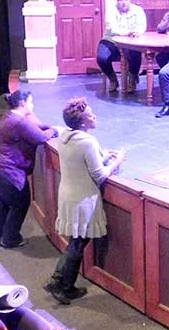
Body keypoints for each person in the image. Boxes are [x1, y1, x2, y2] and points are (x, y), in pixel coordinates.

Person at [45, 97, 126, 305]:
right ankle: (62, 285)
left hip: (68, 194)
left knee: (75, 241)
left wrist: (105, 156)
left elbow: (83, 162)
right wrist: (118, 160)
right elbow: (99, 175)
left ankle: (60, 281)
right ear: (82, 122)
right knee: (78, 243)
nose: (95, 116)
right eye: (90, 115)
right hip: (82, 199)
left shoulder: (65, 135)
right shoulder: (88, 142)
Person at [0, 90, 58, 249]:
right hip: (5, 172)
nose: (33, 105)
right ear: (23, 103)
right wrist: (54, 130)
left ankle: (1, 238)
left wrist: (46, 126)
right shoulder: (18, 122)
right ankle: (10, 239)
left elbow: (32, 127)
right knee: (20, 202)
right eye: (31, 102)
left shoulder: (11, 116)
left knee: (1, 202)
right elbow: (41, 138)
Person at [96, 0, 147, 93]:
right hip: (112, 40)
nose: (123, 3)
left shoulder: (138, 10)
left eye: (125, 0)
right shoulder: (111, 11)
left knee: (135, 53)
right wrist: (128, 32)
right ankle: (113, 79)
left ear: (130, 0)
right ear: (116, 0)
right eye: (120, 0)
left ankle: (132, 78)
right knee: (102, 58)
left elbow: (142, 26)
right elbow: (112, 29)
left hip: (132, 41)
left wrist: (137, 32)